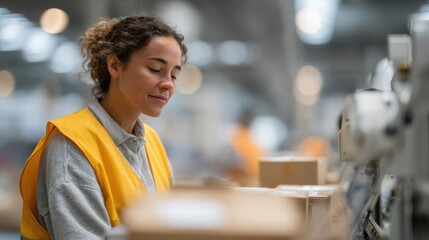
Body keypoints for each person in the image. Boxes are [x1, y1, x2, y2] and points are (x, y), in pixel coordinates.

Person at [19, 15, 187, 239]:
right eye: (155, 69)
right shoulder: (72, 144)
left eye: (174, 75)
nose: (168, 84)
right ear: (115, 65)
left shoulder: (152, 143)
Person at [228, 108, 264, 186]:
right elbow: (239, 158)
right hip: (245, 179)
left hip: (253, 177)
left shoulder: (247, 132)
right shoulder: (238, 133)